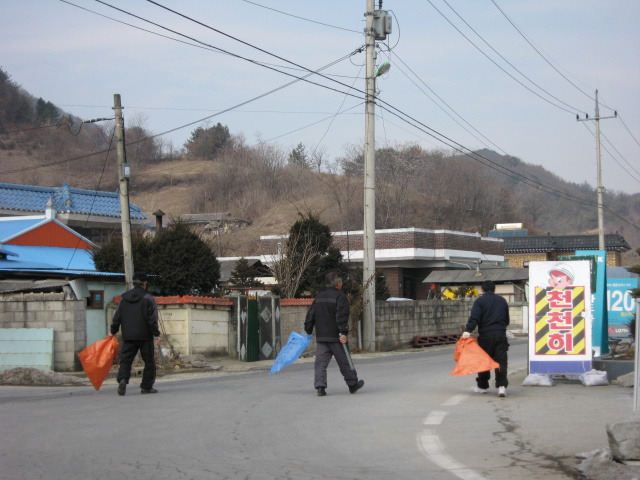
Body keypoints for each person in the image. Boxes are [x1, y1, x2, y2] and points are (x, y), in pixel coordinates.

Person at [304, 272, 364, 396]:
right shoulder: (340, 297)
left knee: (320, 363)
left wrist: (308, 330)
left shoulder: (319, 297)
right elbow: (341, 316)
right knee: (344, 361)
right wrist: (343, 332)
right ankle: (352, 384)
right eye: (341, 282)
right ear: (338, 283)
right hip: (336, 337)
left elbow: (311, 315)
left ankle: (320, 387)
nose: (342, 284)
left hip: (322, 337)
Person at [109, 275, 161, 396]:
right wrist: (156, 334)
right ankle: (146, 387)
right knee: (149, 361)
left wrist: (113, 331)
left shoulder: (124, 298)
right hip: (145, 336)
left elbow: (117, 317)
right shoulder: (148, 298)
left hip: (128, 336)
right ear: (145, 283)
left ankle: (122, 379)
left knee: (125, 360)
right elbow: (152, 319)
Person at [462, 280, 510, 397]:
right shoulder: (502, 301)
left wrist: (468, 330)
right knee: (501, 361)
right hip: (500, 335)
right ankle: (502, 386)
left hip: (485, 336)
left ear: (482, 290)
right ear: (495, 289)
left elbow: (475, 318)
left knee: (483, 361)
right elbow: (507, 320)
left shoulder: (480, 301)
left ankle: (482, 386)